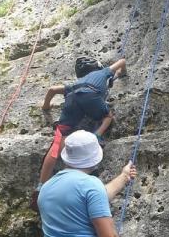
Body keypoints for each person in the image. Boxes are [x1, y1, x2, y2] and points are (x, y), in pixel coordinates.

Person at [38, 56, 127, 185]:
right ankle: (97, 135)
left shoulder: (75, 84)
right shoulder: (102, 72)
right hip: (91, 96)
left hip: (72, 99)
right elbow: (122, 62)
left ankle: (41, 185)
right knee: (108, 116)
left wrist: (46, 106)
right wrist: (122, 72)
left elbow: (52, 90)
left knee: (56, 146)